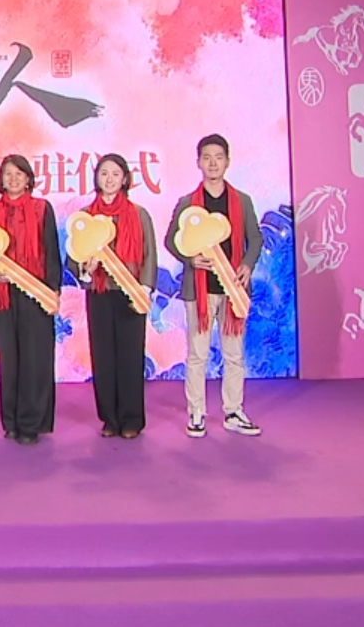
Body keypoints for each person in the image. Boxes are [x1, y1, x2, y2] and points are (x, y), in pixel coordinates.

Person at [166, 134, 263, 438]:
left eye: (218, 157)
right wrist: (190, 258)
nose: (212, 163)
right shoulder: (187, 203)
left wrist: (247, 264)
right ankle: (196, 412)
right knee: (198, 354)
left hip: (233, 289)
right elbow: (171, 240)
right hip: (200, 291)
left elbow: (255, 238)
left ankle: (233, 411)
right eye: (206, 157)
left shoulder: (242, 201)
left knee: (234, 355)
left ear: (227, 162)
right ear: (198, 162)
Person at [69, 153, 156, 439]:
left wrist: (144, 289)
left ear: (125, 179)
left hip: (130, 292)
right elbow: (73, 257)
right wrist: (85, 268)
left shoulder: (138, 214)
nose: (109, 179)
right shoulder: (85, 216)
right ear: (96, 177)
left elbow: (149, 253)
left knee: (130, 356)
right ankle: (109, 418)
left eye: (115, 174)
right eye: (104, 173)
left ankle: (131, 419)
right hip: (100, 292)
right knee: (103, 356)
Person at [0, 154, 61, 444]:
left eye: (19, 174)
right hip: (4, 294)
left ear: (28, 178)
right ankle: (11, 421)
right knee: (10, 358)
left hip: (35, 292)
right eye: (8, 174)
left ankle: (31, 423)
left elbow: (51, 250)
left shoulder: (42, 209)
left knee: (35, 358)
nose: (13, 179)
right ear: (1, 179)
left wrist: (53, 290)